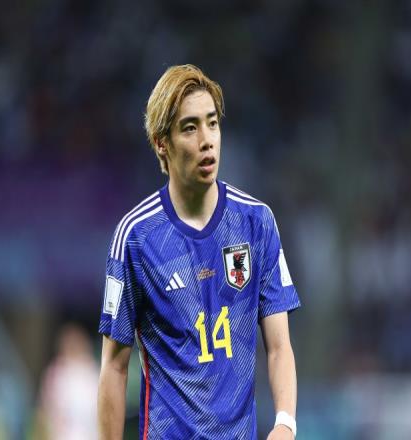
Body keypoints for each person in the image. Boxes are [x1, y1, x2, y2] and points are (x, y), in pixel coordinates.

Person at [97, 64, 300, 439]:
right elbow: (113, 367)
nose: (207, 140)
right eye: (190, 128)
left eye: (212, 123)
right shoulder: (136, 237)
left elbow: (279, 347)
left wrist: (285, 422)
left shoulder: (256, 223)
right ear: (162, 143)